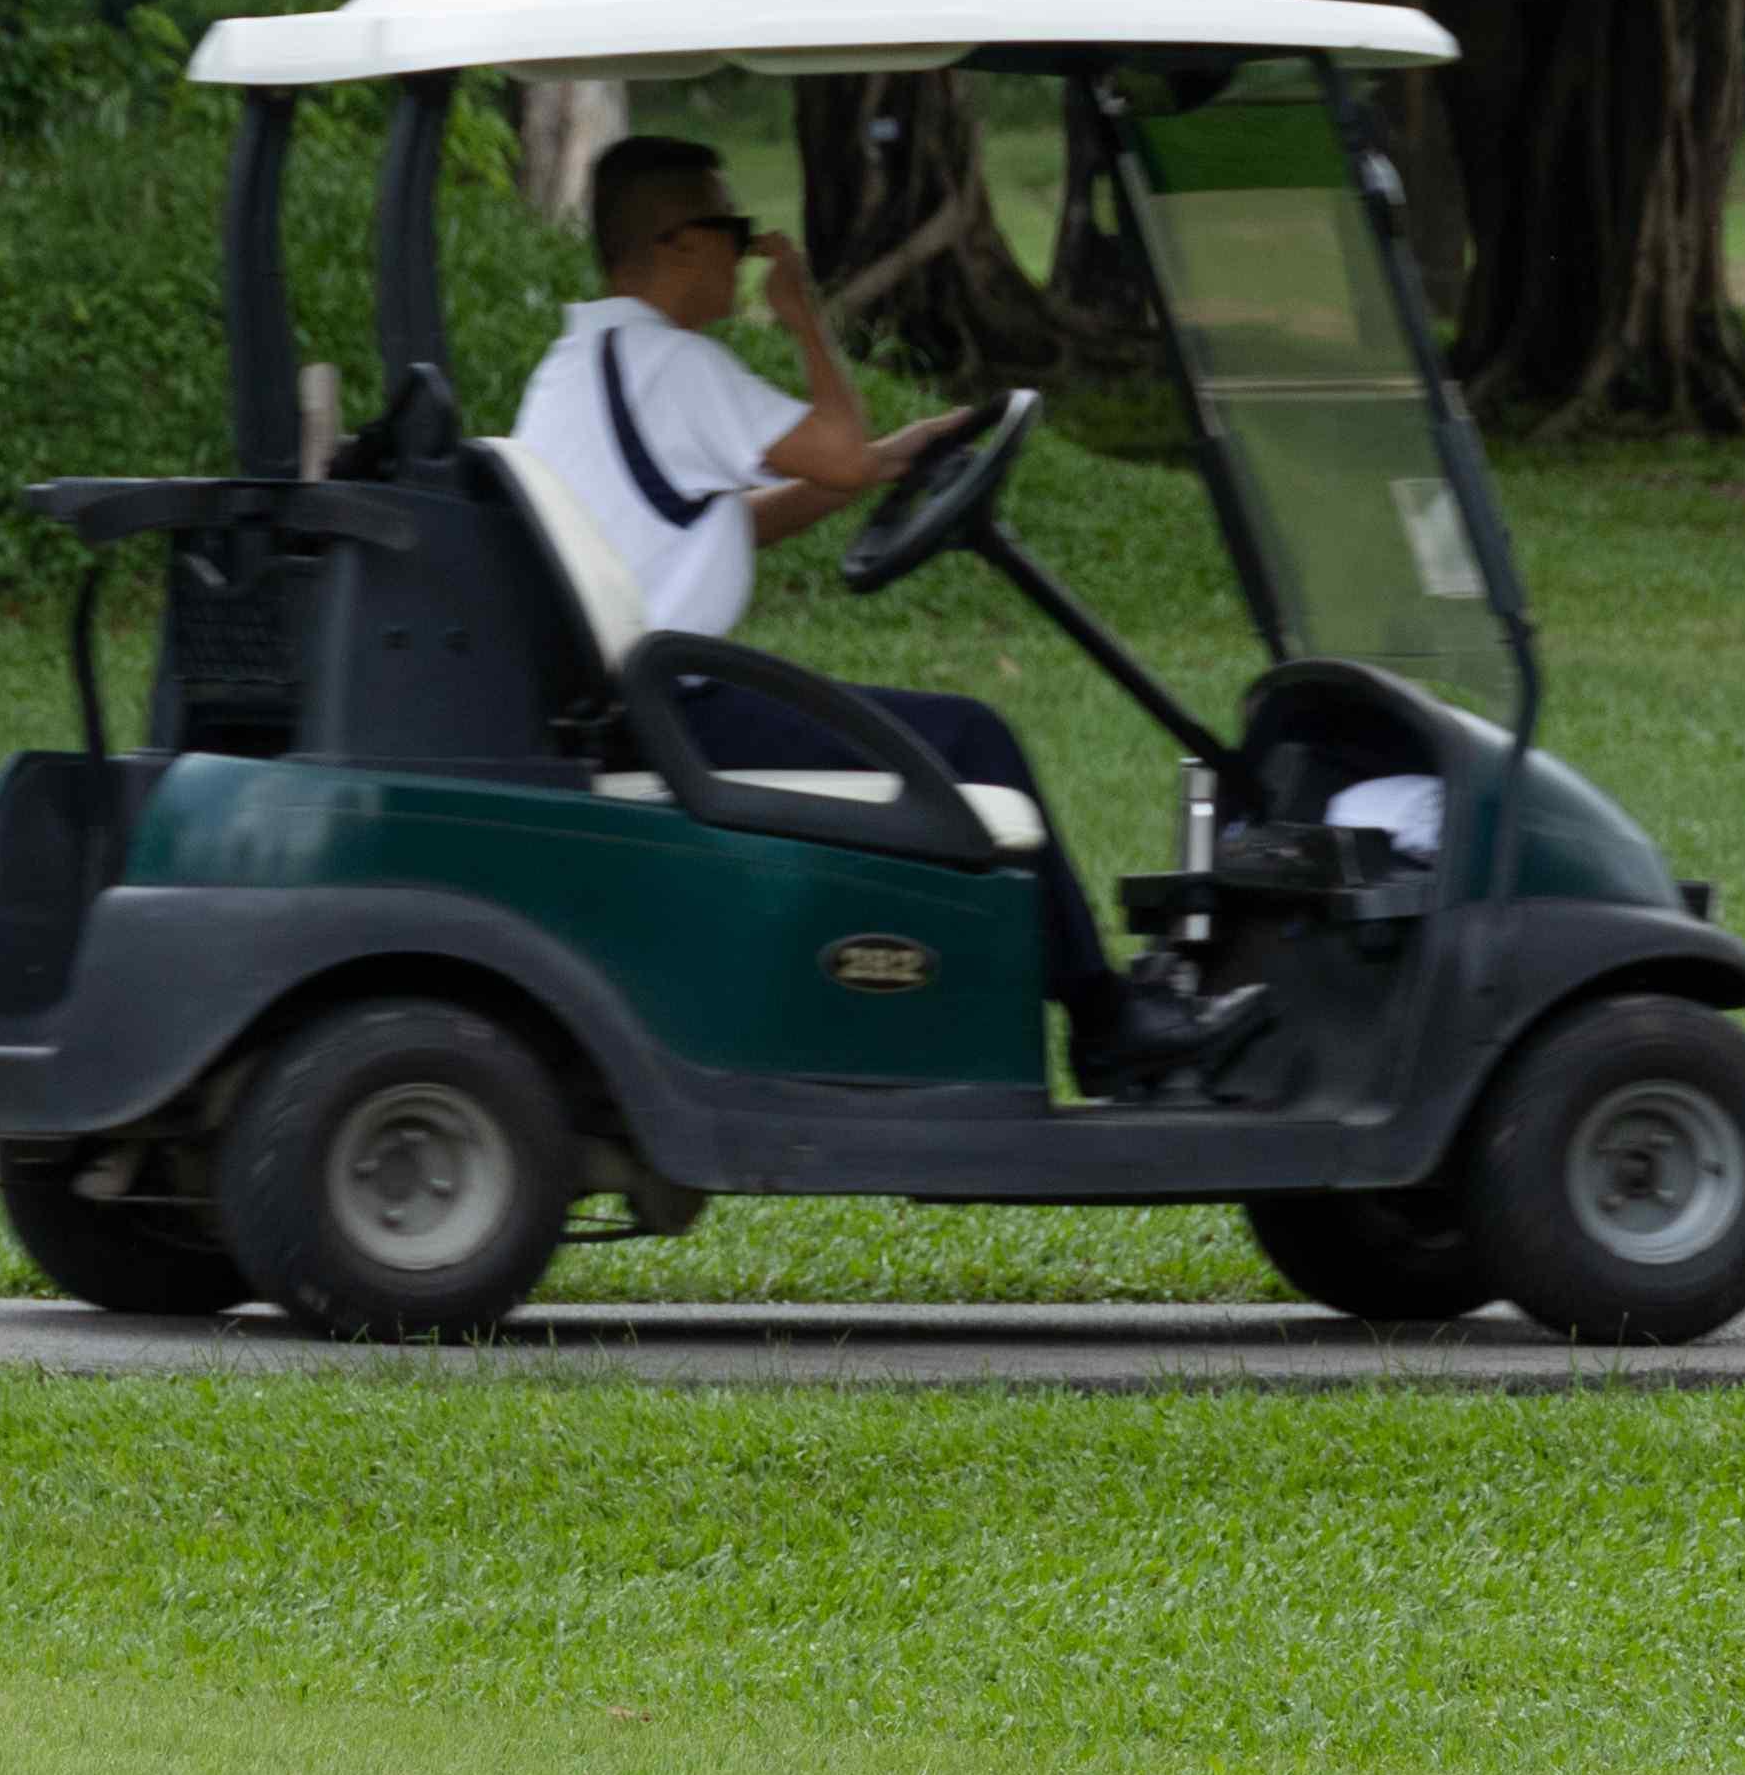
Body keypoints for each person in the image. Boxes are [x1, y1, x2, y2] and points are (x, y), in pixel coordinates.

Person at [513, 136, 1261, 1088]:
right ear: (678, 243)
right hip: (673, 715)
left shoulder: (582, 361)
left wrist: (879, 466)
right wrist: (805, 319)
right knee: (974, 738)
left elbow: (720, 518)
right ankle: (1104, 1020)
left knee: (945, 735)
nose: (751, 248)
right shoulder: (673, 363)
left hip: (625, 705)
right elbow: (835, 444)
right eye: (734, 228)